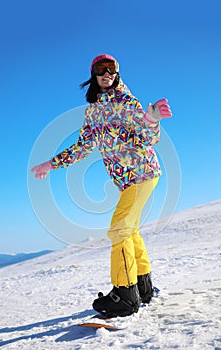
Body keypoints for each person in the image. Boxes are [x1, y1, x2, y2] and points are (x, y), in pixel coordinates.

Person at [31, 54, 172, 317]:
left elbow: (148, 136)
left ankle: (125, 295)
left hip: (142, 171)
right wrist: (52, 163)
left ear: (117, 73)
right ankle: (143, 287)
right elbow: (83, 147)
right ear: (94, 75)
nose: (106, 73)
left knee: (119, 228)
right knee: (128, 230)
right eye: (101, 69)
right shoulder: (93, 111)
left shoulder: (127, 102)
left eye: (112, 69)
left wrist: (153, 121)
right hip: (127, 179)